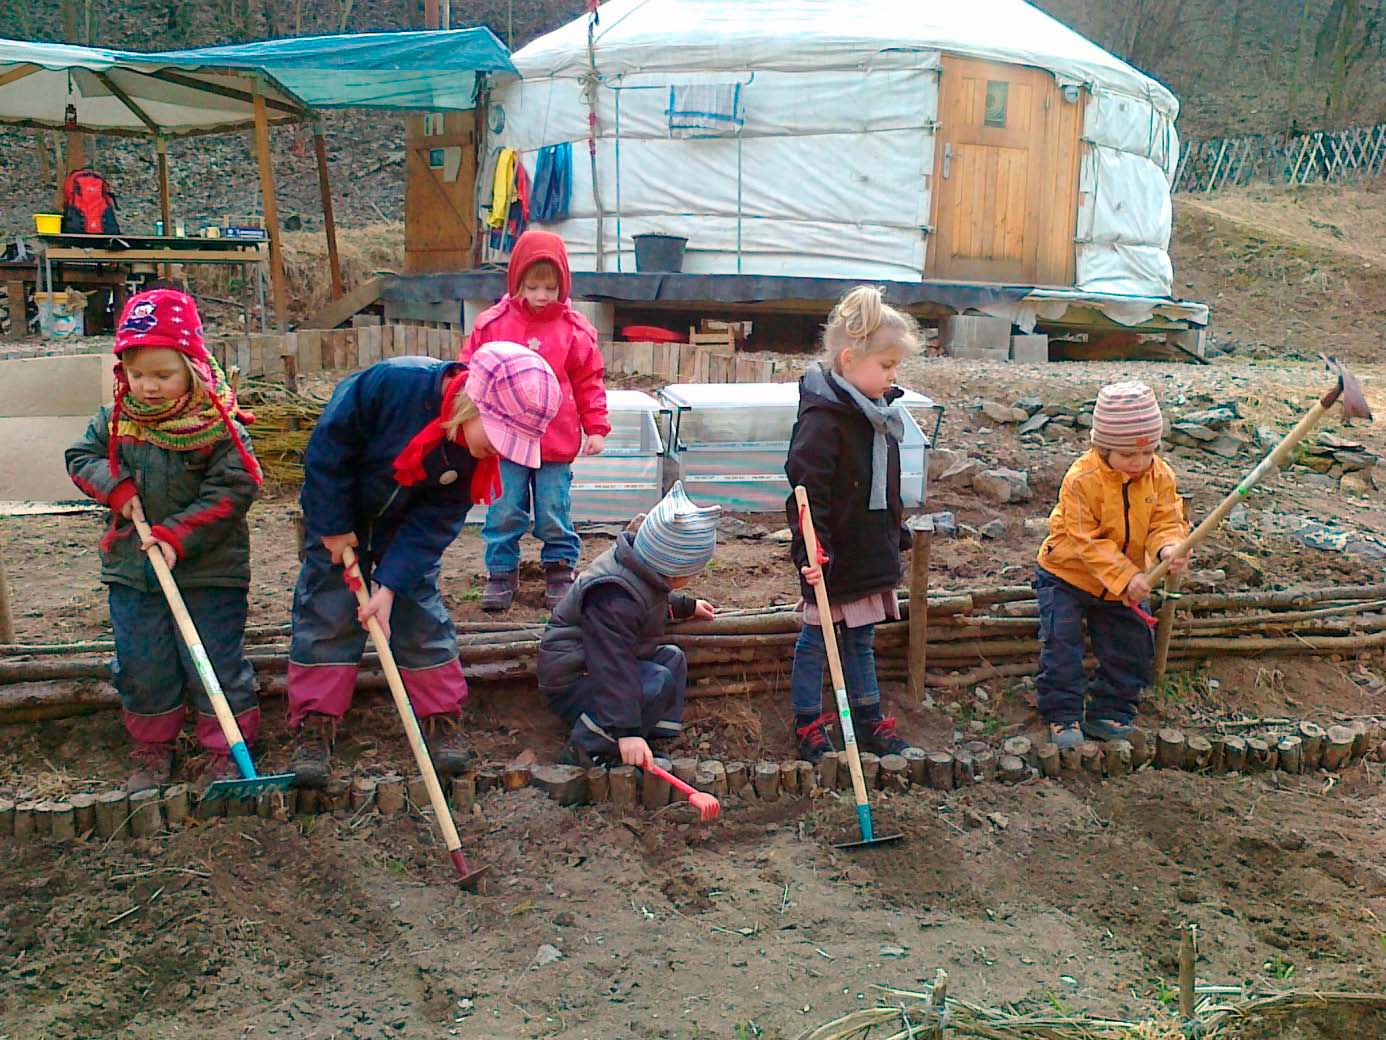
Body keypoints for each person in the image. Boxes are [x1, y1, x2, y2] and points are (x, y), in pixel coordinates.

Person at [286, 343, 561, 786]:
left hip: (402, 532)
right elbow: (327, 452)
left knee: (422, 621)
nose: (498, 451)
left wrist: (390, 586)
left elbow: (434, 523)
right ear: (473, 401)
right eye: (497, 435)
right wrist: (333, 527)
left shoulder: (474, 459)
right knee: (327, 615)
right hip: (339, 521)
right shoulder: (393, 386)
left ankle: (440, 719)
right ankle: (315, 724)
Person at [66, 288, 262, 792]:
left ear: (193, 368)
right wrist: (118, 488)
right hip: (133, 571)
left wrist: (177, 536)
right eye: (137, 375)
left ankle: (226, 746)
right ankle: (153, 746)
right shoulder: (116, 419)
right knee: (142, 661)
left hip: (208, 571)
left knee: (213, 658)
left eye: (162, 375)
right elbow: (81, 458)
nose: (147, 387)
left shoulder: (218, 426)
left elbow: (236, 487)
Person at [785, 286, 920, 763]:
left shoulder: (878, 415)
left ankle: (867, 721)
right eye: (886, 366)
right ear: (849, 358)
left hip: (868, 550)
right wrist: (810, 551)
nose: (893, 375)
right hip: (832, 556)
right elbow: (805, 493)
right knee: (817, 639)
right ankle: (807, 722)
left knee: (861, 640)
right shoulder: (825, 419)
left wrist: (893, 532)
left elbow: (883, 485)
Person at [461, 229, 611, 611]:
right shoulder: (492, 326)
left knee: (552, 508)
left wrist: (595, 427)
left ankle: (559, 568)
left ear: (562, 285)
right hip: (504, 439)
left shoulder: (574, 331)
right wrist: (467, 421)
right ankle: (500, 571)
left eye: (550, 287)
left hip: (554, 442)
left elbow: (588, 380)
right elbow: (470, 374)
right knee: (505, 506)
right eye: (533, 287)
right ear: (517, 284)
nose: (542, 295)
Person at [1035, 381, 1190, 749]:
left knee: (1131, 644)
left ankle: (1112, 710)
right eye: (1127, 455)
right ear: (1102, 447)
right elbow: (1084, 540)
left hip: (1129, 580)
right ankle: (1062, 714)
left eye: (1148, 452)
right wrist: (1126, 577)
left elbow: (1166, 520)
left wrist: (1167, 549)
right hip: (1067, 575)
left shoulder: (1161, 475)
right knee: (1062, 643)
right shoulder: (1081, 480)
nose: (1138, 463)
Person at [538, 482, 718, 769]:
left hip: (597, 668)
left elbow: (653, 598)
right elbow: (612, 663)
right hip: (576, 677)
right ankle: (590, 748)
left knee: (672, 658)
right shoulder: (613, 596)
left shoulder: (640, 568)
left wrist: (686, 606)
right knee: (655, 678)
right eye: (692, 572)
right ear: (673, 568)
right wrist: (626, 731)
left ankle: (653, 734)